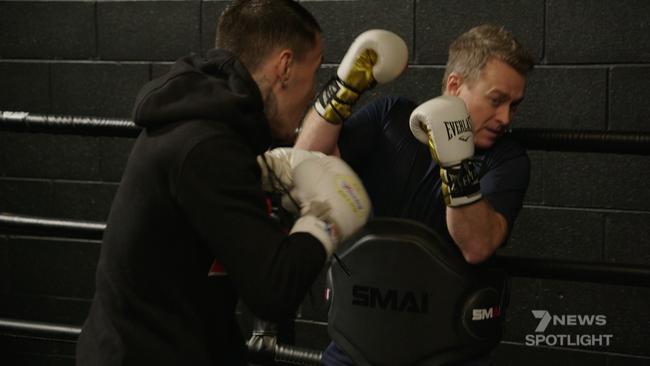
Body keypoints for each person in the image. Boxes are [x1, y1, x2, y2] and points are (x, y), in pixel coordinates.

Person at [75, 1, 372, 365]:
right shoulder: (207, 147)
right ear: (284, 67)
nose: (312, 93)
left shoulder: (215, 130)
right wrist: (324, 219)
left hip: (177, 342)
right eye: (314, 71)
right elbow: (273, 291)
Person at [295, 24, 535, 365]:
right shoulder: (389, 119)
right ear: (454, 85)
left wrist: (456, 164)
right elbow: (306, 163)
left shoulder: (506, 159)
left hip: (447, 350)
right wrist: (344, 89)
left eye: (515, 105)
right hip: (356, 339)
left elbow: (477, 245)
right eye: (496, 100)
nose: (505, 118)